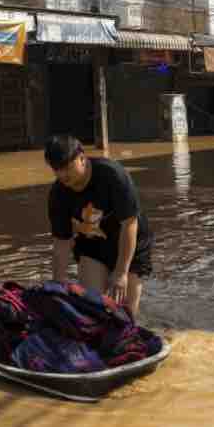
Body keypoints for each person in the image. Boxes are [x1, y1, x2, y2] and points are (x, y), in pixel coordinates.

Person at [45, 134, 154, 320]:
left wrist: (121, 273)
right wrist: (58, 285)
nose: (62, 175)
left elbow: (129, 224)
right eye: (56, 169)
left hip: (129, 240)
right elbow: (61, 243)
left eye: (66, 167)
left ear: (81, 157)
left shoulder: (113, 175)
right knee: (92, 310)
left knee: (126, 317)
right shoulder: (58, 194)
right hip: (92, 245)